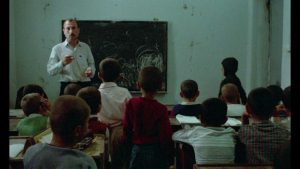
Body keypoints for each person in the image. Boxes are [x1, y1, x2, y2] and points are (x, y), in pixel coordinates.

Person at [23, 95, 97, 169]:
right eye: (87, 122)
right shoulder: (84, 163)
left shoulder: (31, 152)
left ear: (50, 124)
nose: (88, 127)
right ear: (77, 130)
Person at [123, 66, 172, 169]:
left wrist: (128, 150)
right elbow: (165, 135)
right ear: (160, 87)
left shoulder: (131, 103)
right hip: (155, 151)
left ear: (138, 84)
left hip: (137, 150)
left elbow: (126, 129)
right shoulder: (161, 109)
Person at [172, 98, 236, 167]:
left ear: (200, 118)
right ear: (225, 120)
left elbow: (174, 136)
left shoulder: (196, 133)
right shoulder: (231, 133)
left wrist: (190, 130)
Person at [238, 87, 290, 164]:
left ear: (248, 109)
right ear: (274, 110)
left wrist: (244, 119)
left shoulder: (244, 132)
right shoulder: (284, 133)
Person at [97, 57, 132, 169]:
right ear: (119, 76)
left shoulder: (96, 93)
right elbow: (131, 113)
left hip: (100, 132)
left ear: (99, 75)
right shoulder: (124, 92)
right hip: (121, 133)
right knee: (120, 163)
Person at [47, 18, 96, 95]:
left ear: (78, 30)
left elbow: (91, 64)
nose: (71, 31)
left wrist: (91, 70)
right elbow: (50, 71)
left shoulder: (85, 47)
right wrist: (62, 63)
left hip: (85, 85)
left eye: (73, 28)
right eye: (68, 28)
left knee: (86, 107)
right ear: (63, 31)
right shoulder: (57, 48)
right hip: (67, 86)